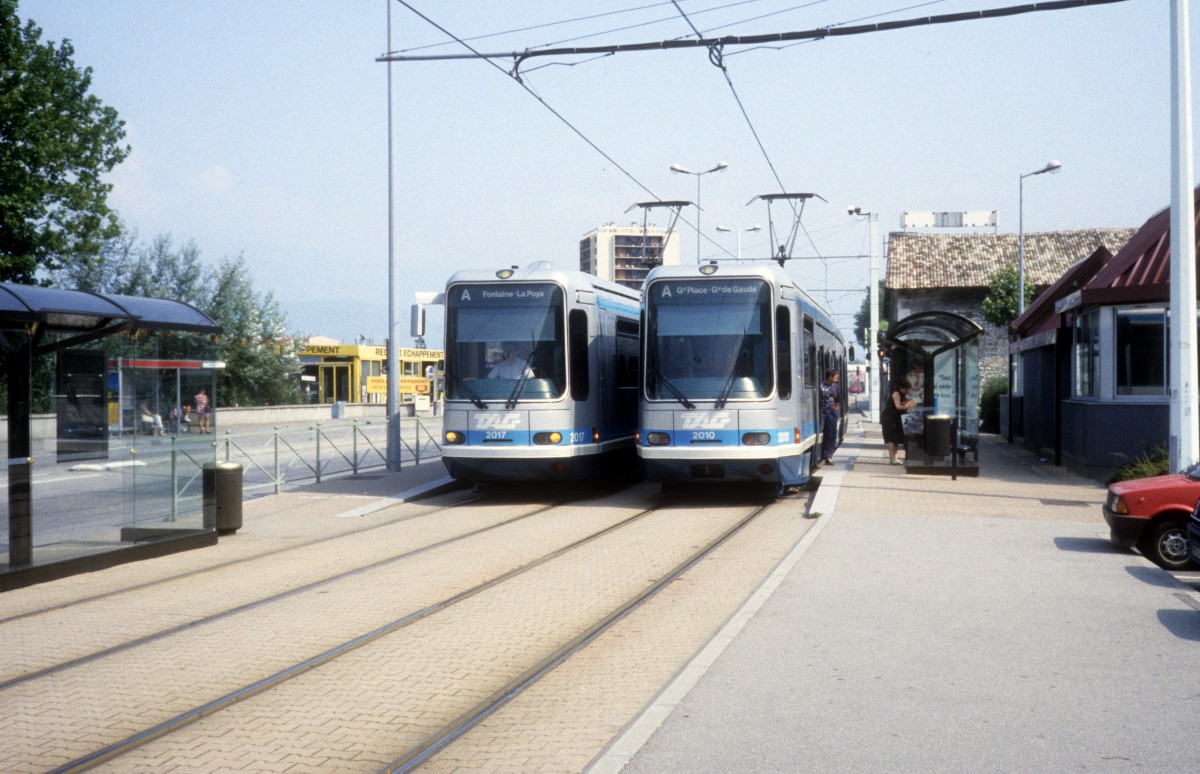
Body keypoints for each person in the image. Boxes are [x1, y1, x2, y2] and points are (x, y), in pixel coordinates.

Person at [882, 379, 917, 465]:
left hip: (896, 418)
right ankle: (892, 459)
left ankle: (895, 458)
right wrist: (909, 407)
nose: (907, 391)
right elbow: (898, 406)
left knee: (896, 439)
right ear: (903, 388)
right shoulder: (896, 394)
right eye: (907, 389)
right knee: (890, 438)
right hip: (889, 417)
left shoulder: (903, 395)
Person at [819, 369, 840, 465]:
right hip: (822, 412)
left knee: (832, 434)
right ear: (830, 377)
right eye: (835, 378)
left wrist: (836, 410)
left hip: (831, 413)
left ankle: (829, 456)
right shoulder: (820, 386)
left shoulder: (835, 387)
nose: (836, 380)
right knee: (824, 434)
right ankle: (822, 452)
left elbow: (838, 400)